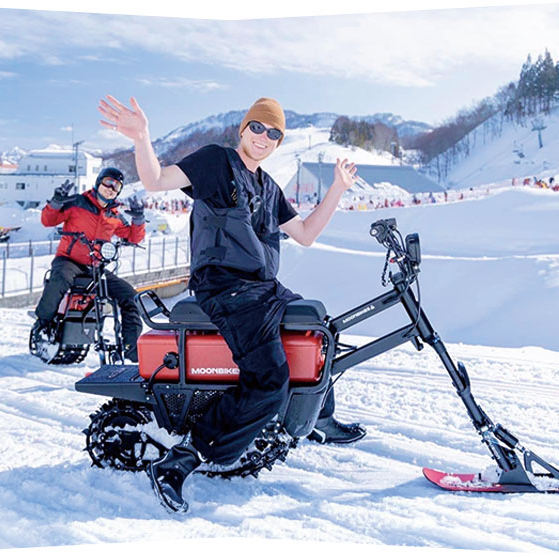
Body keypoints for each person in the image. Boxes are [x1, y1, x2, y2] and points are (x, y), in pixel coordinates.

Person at [99, 95, 366, 513]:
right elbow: (154, 180)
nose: (263, 137)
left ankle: (319, 417)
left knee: (319, 327)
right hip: (224, 286)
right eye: (257, 127)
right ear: (243, 129)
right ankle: (182, 460)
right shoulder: (216, 163)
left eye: (273, 132)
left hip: (262, 287)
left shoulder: (267, 186)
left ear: (279, 141)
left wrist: (337, 189)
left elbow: (307, 233)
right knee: (269, 377)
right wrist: (142, 137)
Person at [32, 169, 146, 362]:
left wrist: (138, 219)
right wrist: (57, 202)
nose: (111, 189)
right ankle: (43, 324)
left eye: (116, 186)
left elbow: (133, 236)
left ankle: (131, 348)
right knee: (60, 279)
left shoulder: (114, 214)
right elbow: (48, 220)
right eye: (108, 183)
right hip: (69, 260)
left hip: (96, 267)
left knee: (130, 296)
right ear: (99, 182)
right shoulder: (77, 203)